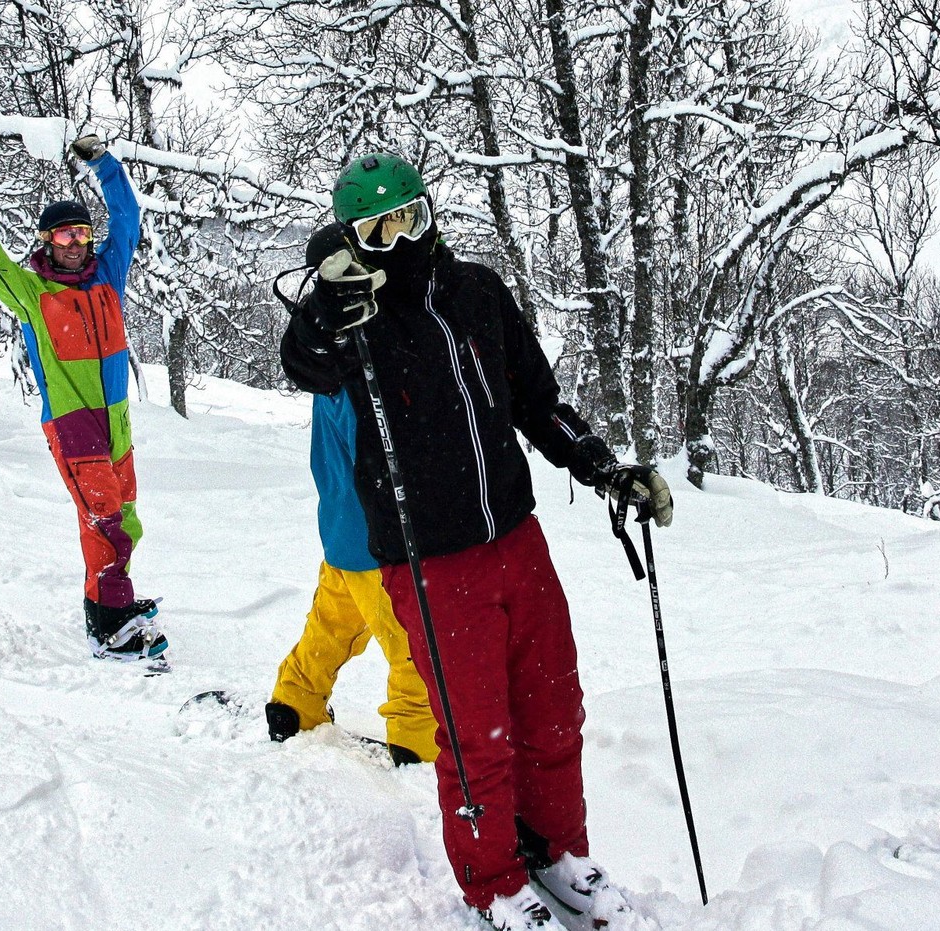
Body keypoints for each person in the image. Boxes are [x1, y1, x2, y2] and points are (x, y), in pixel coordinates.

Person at [280, 154, 672, 931]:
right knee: (474, 734)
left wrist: (602, 467)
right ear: (357, 241)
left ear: (430, 214)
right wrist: (325, 303)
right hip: (430, 560)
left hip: (517, 538)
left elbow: (539, 402)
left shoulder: (479, 293)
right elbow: (305, 360)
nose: (401, 240)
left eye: (411, 219)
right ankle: (493, 881)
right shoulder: (357, 321)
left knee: (554, 709)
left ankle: (557, 850)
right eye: (378, 231)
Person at [0, 136, 167, 665]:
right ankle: (109, 629)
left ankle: (111, 600)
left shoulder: (108, 277)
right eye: (64, 234)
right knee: (105, 519)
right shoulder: (33, 293)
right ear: (46, 241)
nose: (75, 242)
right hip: (74, 426)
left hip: (116, 421)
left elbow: (128, 219)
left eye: (82, 232)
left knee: (125, 517)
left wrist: (104, 164)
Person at [266, 223, 440, 767]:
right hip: (377, 540)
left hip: (342, 535)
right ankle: (418, 739)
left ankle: (294, 703)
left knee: (331, 627)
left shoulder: (327, 358)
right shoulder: (358, 360)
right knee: (412, 646)